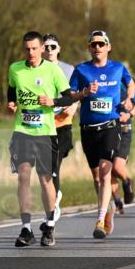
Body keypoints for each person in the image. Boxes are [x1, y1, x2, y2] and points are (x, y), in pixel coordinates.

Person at [7, 31, 72, 247]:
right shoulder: (15, 69)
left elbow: (68, 96)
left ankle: (50, 225)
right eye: (27, 49)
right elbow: (11, 90)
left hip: (45, 133)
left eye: (35, 48)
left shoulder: (53, 70)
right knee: (23, 178)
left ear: (42, 48)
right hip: (22, 131)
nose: (31, 52)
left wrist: (52, 101)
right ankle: (26, 228)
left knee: (46, 180)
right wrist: (11, 103)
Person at [68, 30, 135, 240]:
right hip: (88, 129)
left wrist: (130, 99)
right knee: (97, 177)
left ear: (108, 47)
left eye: (101, 44)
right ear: (89, 48)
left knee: (106, 172)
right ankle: (108, 211)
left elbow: (130, 84)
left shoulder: (118, 68)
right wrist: (84, 93)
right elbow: (70, 94)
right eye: (93, 44)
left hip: (110, 126)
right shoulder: (81, 70)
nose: (97, 48)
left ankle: (99, 219)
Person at [42, 33, 78, 220]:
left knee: (53, 164)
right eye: (46, 47)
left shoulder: (68, 69)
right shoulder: (36, 69)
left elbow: (74, 94)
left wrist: (73, 106)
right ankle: (54, 198)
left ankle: (54, 201)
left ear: (59, 49)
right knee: (49, 167)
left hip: (62, 124)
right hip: (43, 126)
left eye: (53, 47)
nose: (49, 50)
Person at [111, 90, 135, 214]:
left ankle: (127, 181)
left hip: (124, 131)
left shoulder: (126, 85)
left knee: (117, 167)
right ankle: (118, 201)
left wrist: (129, 114)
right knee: (107, 170)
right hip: (106, 131)